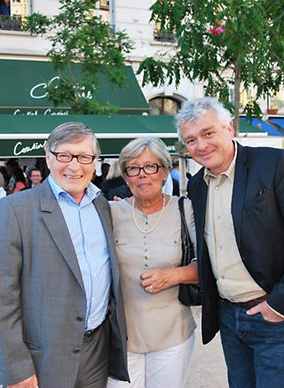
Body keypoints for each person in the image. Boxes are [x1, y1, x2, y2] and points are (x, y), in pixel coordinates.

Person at [176, 97, 284, 388]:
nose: (201, 145)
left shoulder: (273, 163)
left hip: (275, 315)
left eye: (208, 133)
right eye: (191, 140)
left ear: (229, 128)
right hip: (230, 317)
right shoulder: (197, 185)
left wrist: (280, 304)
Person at [0, 122, 129, 388]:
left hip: (98, 351)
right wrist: (16, 367)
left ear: (95, 162)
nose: (74, 166)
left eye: (84, 157)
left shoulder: (101, 204)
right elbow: (1, 297)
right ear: (48, 157)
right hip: (44, 356)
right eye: (65, 155)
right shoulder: (14, 209)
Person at [107, 137, 198, 388]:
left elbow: (211, 267)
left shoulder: (186, 209)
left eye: (150, 167)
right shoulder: (111, 213)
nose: (142, 175)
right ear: (125, 176)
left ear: (165, 172)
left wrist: (173, 276)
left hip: (173, 335)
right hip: (123, 338)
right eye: (133, 168)